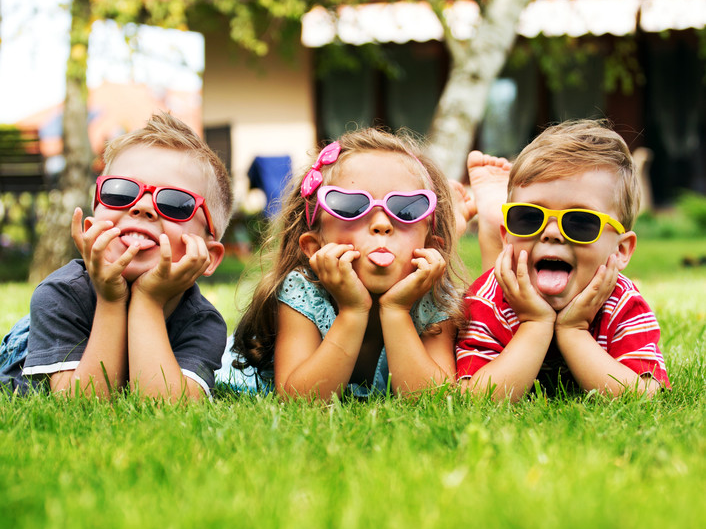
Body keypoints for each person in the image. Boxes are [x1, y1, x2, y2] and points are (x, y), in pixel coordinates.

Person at [0, 112, 232, 401]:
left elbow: (167, 407)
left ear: (208, 257)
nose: (144, 207)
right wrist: (111, 301)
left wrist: (148, 301)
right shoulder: (59, 295)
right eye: (121, 192)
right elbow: (81, 405)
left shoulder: (203, 322)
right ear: (91, 229)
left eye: (174, 202)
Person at [218, 127, 462, 399]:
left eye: (407, 209)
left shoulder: (434, 295)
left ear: (431, 247)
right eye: (350, 206)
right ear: (314, 246)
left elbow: (436, 398)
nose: (381, 224)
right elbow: (299, 400)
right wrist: (352, 311)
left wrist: (397, 311)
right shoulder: (304, 289)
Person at [456, 120, 670, 400]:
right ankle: (491, 219)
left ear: (621, 251)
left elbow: (645, 396)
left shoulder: (623, 303)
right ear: (507, 237)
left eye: (580, 222)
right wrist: (535, 324)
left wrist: (574, 330)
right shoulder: (487, 300)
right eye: (529, 218)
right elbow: (475, 397)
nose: (552, 234)